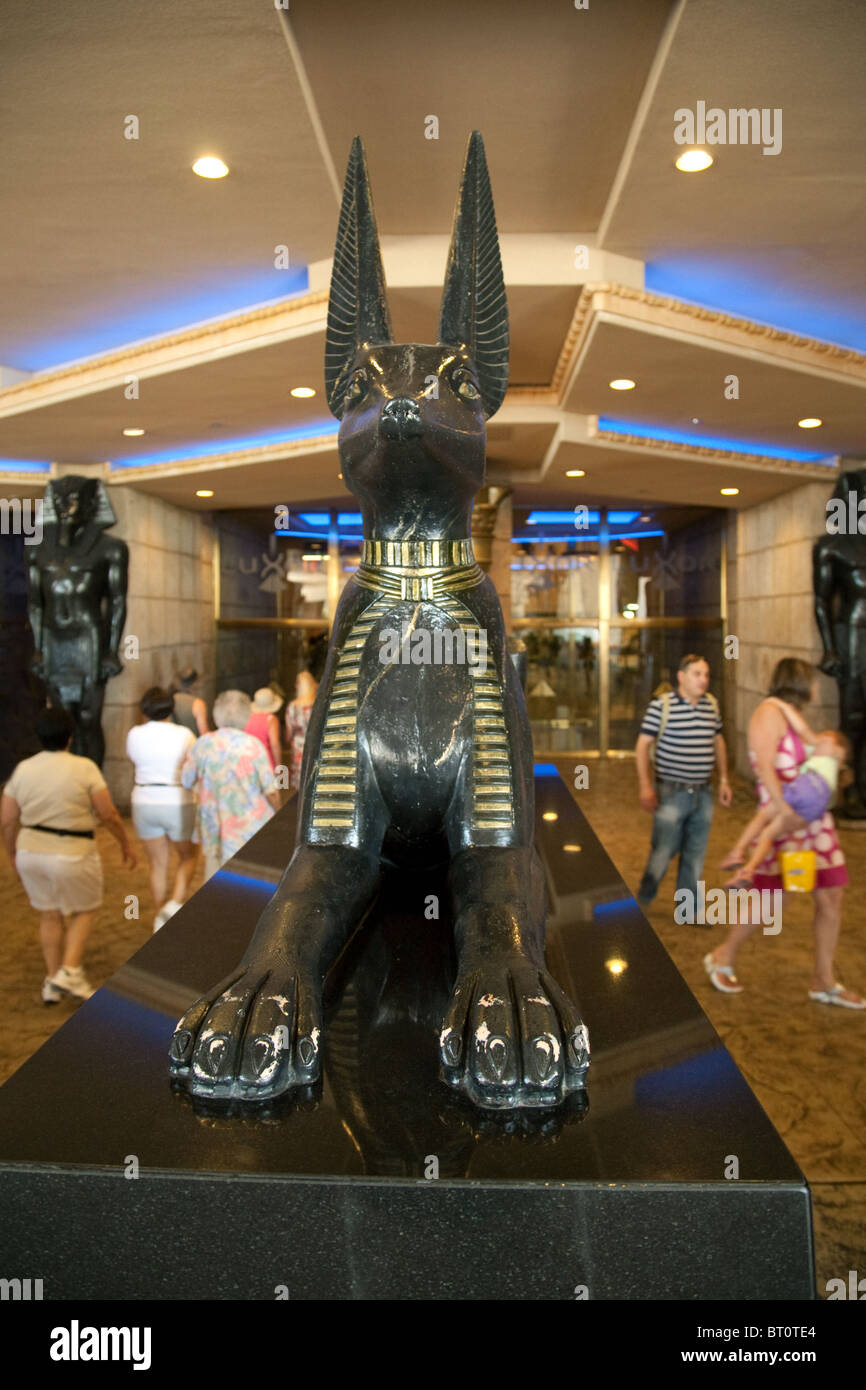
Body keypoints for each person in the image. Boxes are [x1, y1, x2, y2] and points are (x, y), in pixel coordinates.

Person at [705, 658, 864, 1008]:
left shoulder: (790, 714)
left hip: (814, 824)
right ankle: (724, 954)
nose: (818, 688)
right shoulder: (768, 713)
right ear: (800, 681)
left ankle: (823, 979)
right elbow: (764, 767)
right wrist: (784, 808)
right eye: (814, 681)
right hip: (791, 823)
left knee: (830, 895)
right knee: (775, 898)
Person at [1, 706, 136, 1002]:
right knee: (84, 909)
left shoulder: (23, 769)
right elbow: (108, 813)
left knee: (49, 914)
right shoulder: (84, 768)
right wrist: (124, 842)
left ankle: (51, 982)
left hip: (30, 850)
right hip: (72, 851)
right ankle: (70, 970)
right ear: (70, 737)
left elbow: (8, 819)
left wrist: (12, 852)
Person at [635, 653, 732, 914]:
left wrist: (723, 779)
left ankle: (688, 909)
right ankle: (644, 896)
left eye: (706, 675)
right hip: (672, 792)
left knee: (696, 853)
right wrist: (645, 786)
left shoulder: (711, 705)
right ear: (681, 676)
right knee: (663, 850)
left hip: (703, 792)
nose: (703, 680)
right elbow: (643, 745)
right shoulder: (662, 707)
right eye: (697, 674)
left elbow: (718, 740)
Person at [722, 725, 850, 888]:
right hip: (813, 810)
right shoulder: (828, 771)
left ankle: (736, 852)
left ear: (837, 750)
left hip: (803, 789)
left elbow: (803, 734)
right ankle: (748, 870)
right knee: (770, 833)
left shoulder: (829, 753)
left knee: (763, 816)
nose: (819, 737)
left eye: (825, 735)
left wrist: (781, 707)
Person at [181, 690, 280, 880]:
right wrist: (277, 814)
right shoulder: (253, 745)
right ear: (246, 716)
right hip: (250, 826)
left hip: (214, 824)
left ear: (216, 715)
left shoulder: (203, 744)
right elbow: (271, 791)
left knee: (214, 876)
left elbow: (186, 779)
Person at [126, 687, 198, 931]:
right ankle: (175, 903)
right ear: (170, 708)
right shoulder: (185, 734)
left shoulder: (134, 734)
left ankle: (160, 914)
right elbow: (193, 765)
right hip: (177, 798)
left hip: (144, 798)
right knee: (188, 856)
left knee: (157, 863)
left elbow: (134, 759)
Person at [285, 668, 319, 791]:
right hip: (316, 746)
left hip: (299, 747)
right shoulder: (318, 704)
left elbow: (288, 735)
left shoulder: (293, 707)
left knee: (301, 785)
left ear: (298, 686)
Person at [244, 687, 282, 771]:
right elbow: (274, 744)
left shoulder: (247, 717)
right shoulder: (271, 719)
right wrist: (278, 764)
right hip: (266, 760)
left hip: (249, 759)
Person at [172, 667, 209, 737]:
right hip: (193, 744)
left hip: (175, 744)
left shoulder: (169, 699)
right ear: (194, 684)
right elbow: (204, 734)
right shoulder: (198, 704)